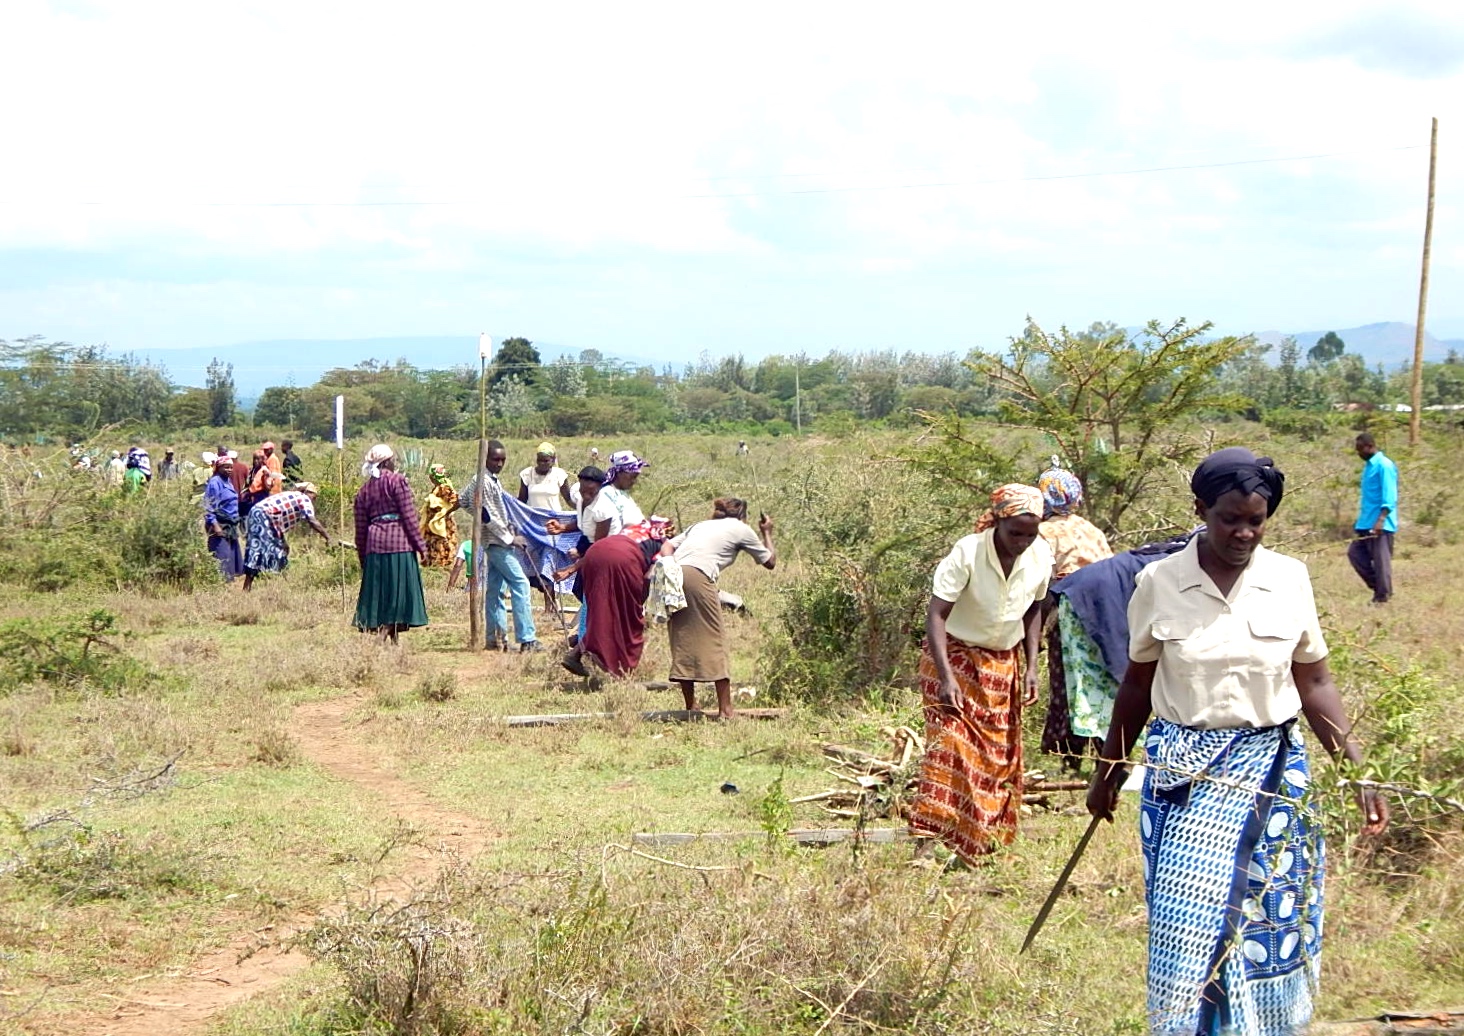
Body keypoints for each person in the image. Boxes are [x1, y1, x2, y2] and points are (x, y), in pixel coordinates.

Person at [1087, 447, 1389, 1036]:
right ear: (1201, 509)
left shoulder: (1289, 579)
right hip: (1183, 783)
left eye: (1256, 520)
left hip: (1273, 774)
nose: (1243, 532)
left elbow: (1315, 680)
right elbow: (1137, 685)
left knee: (1265, 929)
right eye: (1230, 518)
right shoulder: (1158, 582)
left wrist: (1357, 771)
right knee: (1185, 926)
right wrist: (1109, 772)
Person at [907, 484, 1053, 862]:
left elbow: (1034, 611)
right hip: (953, 657)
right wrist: (946, 678)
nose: (1022, 541)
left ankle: (980, 842)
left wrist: (1033, 665)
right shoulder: (968, 552)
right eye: (1015, 532)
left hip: (1003, 664)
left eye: (1030, 533)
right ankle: (928, 841)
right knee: (949, 748)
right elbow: (936, 615)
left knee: (994, 757)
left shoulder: (1040, 555)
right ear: (997, 523)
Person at [664, 498, 776, 719]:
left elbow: (667, 545)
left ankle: (691, 707)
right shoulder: (741, 529)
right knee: (715, 639)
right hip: (698, 576)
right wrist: (767, 532)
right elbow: (770, 561)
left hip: (671, 576)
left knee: (683, 637)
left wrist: (670, 568)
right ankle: (726, 710)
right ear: (742, 516)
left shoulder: (700, 525)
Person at [1035, 460, 1113, 769]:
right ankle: (1106, 755)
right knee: (1100, 681)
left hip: (1068, 613)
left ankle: (1070, 756)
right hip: (1104, 612)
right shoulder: (1090, 529)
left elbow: (1041, 582)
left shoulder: (1042, 532)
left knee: (1067, 681)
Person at [456, 441, 540, 652]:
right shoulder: (483, 481)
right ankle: (527, 639)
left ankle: (495, 638)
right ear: (485, 459)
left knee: (494, 589)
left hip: (493, 541)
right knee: (520, 584)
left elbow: (464, 500)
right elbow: (487, 514)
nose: (500, 463)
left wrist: (479, 516)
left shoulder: (488, 480)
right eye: (495, 459)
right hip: (497, 541)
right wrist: (510, 538)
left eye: (503, 459)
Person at [575, 516, 674, 677]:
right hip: (622, 559)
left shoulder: (632, 528)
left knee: (600, 611)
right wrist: (638, 603)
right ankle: (619, 671)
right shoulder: (663, 544)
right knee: (627, 619)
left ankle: (577, 653)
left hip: (593, 553)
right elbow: (650, 576)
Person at [352, 445, 429, 643]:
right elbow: (409, 517)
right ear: (386, 462)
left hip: (374, 546)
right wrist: (421, 546)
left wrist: (363, 556)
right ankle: (384, 633)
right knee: (398, 593)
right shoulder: (398, 481)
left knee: (384, 593)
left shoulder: (364, 490)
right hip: (399, 544)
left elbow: (360, 529)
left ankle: (393, 642)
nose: (395, 463)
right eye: (393, 459)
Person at [546, 465, 606, 650]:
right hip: (589, 560)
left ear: (599, 487)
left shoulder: (605, 509)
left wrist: (570, 569)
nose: (585, 493)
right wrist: (563, 528)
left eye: (589, 490)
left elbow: (599, 549)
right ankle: (584, 640)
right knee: (588, 599)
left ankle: (584, 647)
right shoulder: (587, 504)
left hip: (603, 563)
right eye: (582, 489)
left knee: (595, 603)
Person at [242, 483, 331, 591]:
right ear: (307, 492)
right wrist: (327, 537)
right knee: (266, 552)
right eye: (314, 496)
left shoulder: (294, 497)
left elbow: (276, 522)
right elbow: (311, 520)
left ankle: (262, 586)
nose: (314, 499)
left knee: (272, 550)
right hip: (263, 516)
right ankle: (272, 586)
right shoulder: (303, 498)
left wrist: (283, 542)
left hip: (259, 514)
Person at [1348, 432, 1398, 605]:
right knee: (1355, 554)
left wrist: (1381, 519)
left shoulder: (1384, 465)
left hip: (1380, 524)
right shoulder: (1369, 466)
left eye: (1360, 449)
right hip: (1365, 522)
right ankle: (1381, 590)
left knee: (1381, 563)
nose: (1359, 453)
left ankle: (1382, 598)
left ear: (1370, 446)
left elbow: (1389, 495)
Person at [584, 450, 647, 540]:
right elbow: (600, 539)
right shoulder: (605, 495)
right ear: (619, 473)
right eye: (632, 477)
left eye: (635, 477)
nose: (634, 481)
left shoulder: (622, 494)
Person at [203, 454, 244, 582]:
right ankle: (220, 584)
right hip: (220, 525)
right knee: (222, 555)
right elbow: (208, 505)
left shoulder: (228, 481)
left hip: (230, 524)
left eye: (231, 467)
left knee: (231, 556)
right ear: (219, 467)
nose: (229, 470)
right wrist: (215, 525)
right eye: (226, 467)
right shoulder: (215, 482)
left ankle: (229, 582)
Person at [420, 463, 458, 569]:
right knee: (432, 543)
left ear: (432, 476)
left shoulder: (444, 488)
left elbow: (455, 501)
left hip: (442, 523)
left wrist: (443, 513)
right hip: (434, 524)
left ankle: (441, 565)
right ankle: (432, 564)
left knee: (442, 543)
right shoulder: (437, 488)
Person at [518, 442, 574, 511]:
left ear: (553, 460)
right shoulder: (527, 474)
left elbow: (568, 499)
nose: (542, 463)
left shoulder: (559, 474)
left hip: (554, 519)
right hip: (533, 518)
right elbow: (522, 500)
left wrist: (583, 508)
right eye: (539, 460)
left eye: (545, 461)